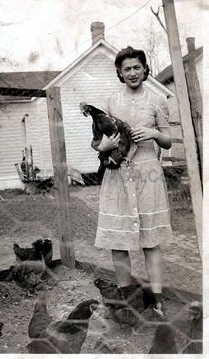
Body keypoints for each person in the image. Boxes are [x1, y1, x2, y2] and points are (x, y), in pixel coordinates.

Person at [92, 46, 172, 317]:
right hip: (119, 175)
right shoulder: (111, 101)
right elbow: (98, 140)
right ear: (120, 73)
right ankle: (127, 299)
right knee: (119, 240)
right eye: (127, 69)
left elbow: (168, 140)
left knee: (151, 241)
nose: (133, 72)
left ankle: (158, 299)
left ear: (145, 69)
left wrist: (152, 132)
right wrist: (103, 146)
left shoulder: (157, 100)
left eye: (137, 67)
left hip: (147, 174)